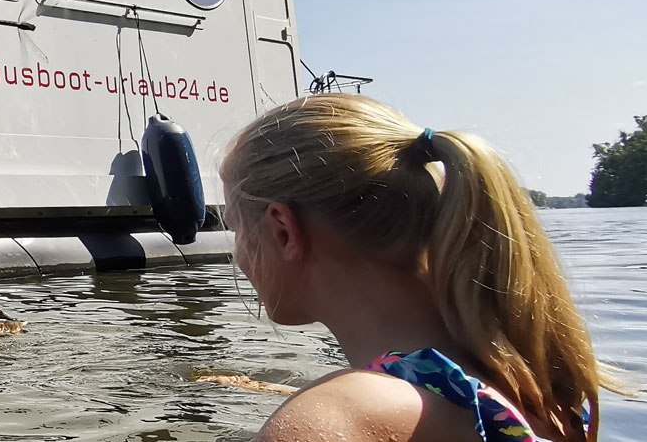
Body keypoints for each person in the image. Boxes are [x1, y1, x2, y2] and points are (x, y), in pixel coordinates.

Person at [221, 94, 623, 441]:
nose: (240, 257)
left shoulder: (336, 419)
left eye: (238, 229)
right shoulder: (535, 388)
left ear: (282, 230)